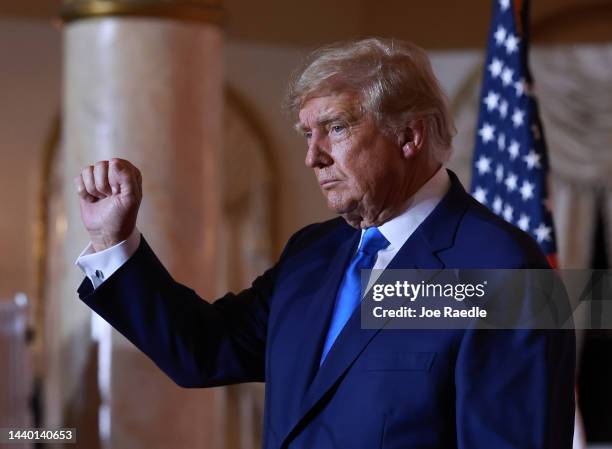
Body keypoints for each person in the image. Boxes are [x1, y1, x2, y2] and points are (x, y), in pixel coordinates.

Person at [74, 38, 575, 448]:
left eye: (335, 128)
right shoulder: (311, 254)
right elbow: (204, 350)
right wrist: (114, 241)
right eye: (307, 135)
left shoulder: (504, 269)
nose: (312, 157)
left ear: (410, 136)